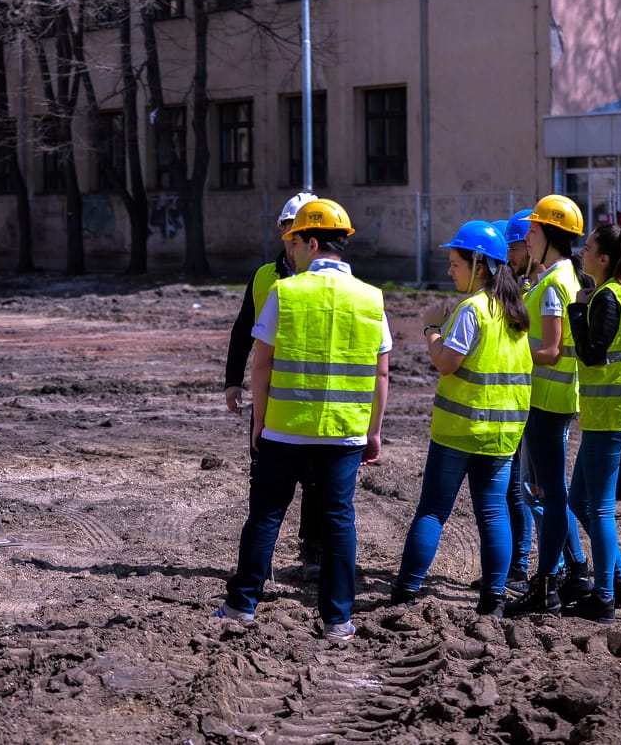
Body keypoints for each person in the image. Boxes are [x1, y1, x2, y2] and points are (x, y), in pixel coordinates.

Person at [213, 199, 390, 641]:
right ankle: (338, 620)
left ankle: (241, 606)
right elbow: (380, 371)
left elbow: (262, 364)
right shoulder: (371, 297)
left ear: (312, 243)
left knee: (266, 516)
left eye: (295, 243)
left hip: (284, 429)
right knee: (338, 522)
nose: (289, 251)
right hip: (343, 432)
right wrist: (373, 431)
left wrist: (260, 421)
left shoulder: (285, 293)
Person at [390, 220, 531, 617]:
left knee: (433, 511)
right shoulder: (515, 311)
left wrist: (432, 328)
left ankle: (406, 591)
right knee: (494, 513)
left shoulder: (473, 310)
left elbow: (447, 363)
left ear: (480, 264)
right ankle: (494, 599)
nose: (450, 270)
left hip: (458, 432)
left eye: (455, 263)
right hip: (502, 436)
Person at [223, 192, 321, 573]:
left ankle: (313, 552)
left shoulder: (329, 279)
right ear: (282, 231)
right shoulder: (264, 277)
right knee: (264, 478)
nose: (291, 233)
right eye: (287, 226)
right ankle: (259, 557)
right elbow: (242, 328)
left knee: (314, 481)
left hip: (314, 394)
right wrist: (233, 380)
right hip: (270, 394)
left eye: (299, 227)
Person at [505, 196, 593, 616]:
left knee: (550, 494)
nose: (527, 236)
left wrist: (511, 347)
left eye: (534, 231)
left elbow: (553, 350)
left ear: (551, 237)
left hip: (548, 402)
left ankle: (547, 585)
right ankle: (569, 573)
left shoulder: (557, 283)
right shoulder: (560, 277)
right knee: (545, 491)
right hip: (548, 401)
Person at [564, 221, 621, 623]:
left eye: (587, 249)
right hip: (618, 411)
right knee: (579, 501)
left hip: (610, 415)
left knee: (597, 509)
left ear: (604, 259)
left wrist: (577, 309)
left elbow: (591, 353)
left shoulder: (608, 298)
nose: (581, 254)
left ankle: (603, 598)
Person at [501, 208, 536, 594]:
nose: (509, 255)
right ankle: (518, 565)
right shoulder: (525, 282)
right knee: (519, 487)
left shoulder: (539, 286)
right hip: (524, 397)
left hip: (536, 401)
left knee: (526, 488)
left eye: (514, 247)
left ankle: (521, 566)